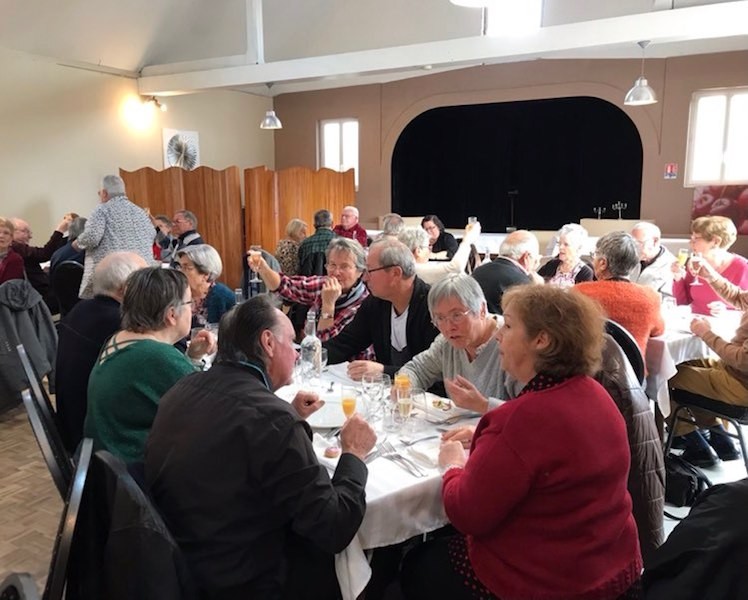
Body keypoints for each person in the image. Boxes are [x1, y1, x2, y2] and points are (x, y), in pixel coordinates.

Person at [401, 285, 642, 600]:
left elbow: (466, 514)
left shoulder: (523, 418)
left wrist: (452, 465)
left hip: (550, 581)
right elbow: (549, 454)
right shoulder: (596, 394)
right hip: (612, 562)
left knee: (419, 563)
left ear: (541, 340)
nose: (499, 336)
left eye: (509, 326)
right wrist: (491, 440)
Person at [145, 295, 376, 599]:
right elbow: (333, 528)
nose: (295, 355)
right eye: (291, 344)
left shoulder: (183, 388)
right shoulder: (273, 421)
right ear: (268, 342)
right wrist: (354, 454)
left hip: (178, 557)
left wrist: (286, 415)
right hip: (243, 577)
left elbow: (233, 443)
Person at [83, 267, 215, 463]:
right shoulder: (155, 356)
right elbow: (213, 410)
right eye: (190, 302)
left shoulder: (120, 339)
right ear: (171, 315)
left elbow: (185, 390)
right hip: (134, 473)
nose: (193, 309)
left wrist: (193, 358)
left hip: (107, 466)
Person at [55, 252, 148, 452]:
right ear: (126, 289)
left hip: (73, 425)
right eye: (145, 281)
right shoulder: (120, 324)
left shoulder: (81, 310)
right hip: (98, 441)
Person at [667, 257, 748, 467]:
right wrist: (711, 276)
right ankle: (722, 440)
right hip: (733, 372)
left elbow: (743, 360)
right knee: (684, 362)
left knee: (663, 375)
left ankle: (696, 445)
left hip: (741, 386)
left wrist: (706, 333)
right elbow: (740, 298)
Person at [324, 238, 439, 380]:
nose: (365, 278)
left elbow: (438, 373)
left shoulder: (434, 308)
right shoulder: (375, 304)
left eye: (370, 270)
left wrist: (385, 372)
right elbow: (345, 344)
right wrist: (304, 355)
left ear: (396, 273)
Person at [397, 274, 506, 410]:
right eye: (440, 318)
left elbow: (530, 411)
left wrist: (483, 405)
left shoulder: (510, 340)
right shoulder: (446, 344)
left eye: (457, 315)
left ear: (482, 310)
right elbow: (417, 370)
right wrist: (403, 387)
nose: (449, 327)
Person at [251, 237, 372, 358]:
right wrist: (263, 267)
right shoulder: (323, 284)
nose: (336, 272)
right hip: (316, 362)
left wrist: (328, 305)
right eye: (332, 265)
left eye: (344, 266)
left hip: (348, 370)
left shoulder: (362, 305)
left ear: (360, 271)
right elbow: (285, 286)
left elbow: (326, 349)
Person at [574, 231, 664, 359]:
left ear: (602, 263)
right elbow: (659, 330)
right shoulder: (650, 297)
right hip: (631, 376)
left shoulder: (579, 294)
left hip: (588, 373)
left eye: (594, 255)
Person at [75, 175, 154, 299]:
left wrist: (77, 243)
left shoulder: (102, 210)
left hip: (114, 277)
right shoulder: (140, 213)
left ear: (105, 193)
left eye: (99, 193)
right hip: (143, 277)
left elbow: (92, 238)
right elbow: (152, 235)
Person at [671, 215, 748, 315]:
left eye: (696, 239)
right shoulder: (695, 263)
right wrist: (678, 278)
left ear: (716, 241)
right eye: (691, 238)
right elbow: (683, 302)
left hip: (726, 327)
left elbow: (745, 307)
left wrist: (728, 312)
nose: (691, 243)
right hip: (693, 324)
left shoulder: (743, 267)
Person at [471, 229, 543, 314]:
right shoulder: (523, 283)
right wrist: (539, 288)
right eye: (535, 260)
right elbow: (538, 317)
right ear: (526, 257)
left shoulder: (478, 271)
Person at [11, 214, 71, 308]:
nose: (30, 236)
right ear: (10, 232)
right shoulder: (15, 247)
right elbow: (45, 254)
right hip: (39, 297)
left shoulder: (16, 249)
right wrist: (60, 230)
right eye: (25, 231)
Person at [398, 222, 481, 285]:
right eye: (428, 246)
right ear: (418, 251)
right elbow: (456, 268)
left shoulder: (398, 265)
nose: (429, 251)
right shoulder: (413, 269)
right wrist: (467, 240)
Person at [175, 244, 235, 326]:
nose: (180, 272)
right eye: (180, 267)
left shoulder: (223, 297)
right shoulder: (177, 294)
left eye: (187, 268)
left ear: (205, 273)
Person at [538, 223, 594, 287]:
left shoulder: (585, 272)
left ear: (578, 248)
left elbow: (582, 296)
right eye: (559, 243)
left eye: (566, 244)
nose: (560, 247)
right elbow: (535, 283)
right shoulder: (552, 264)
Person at [630, 221, 675, 296]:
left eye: (639, 243)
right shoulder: (629, 258)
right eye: (632, 243)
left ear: (655, 241)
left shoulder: (671, 266)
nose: (634, 248)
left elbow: (667, 300)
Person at [298, 209, 335, 274]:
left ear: (314, 225)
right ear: (332, 224)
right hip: (333, 282)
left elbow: (300, 269)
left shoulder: (304, 244)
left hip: (309, 283)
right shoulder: (340, 242)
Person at [0, 217, 24, 284]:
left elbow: (8, 289)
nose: (1, 236)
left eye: (6, 233)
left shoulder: (15, 260)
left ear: (11, 238)